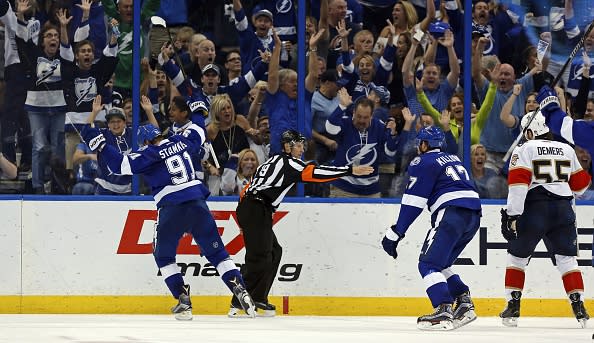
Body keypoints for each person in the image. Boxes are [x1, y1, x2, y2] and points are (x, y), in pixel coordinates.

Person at [80, 122, 256, 320]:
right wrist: (198, 109)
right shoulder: (181, 141)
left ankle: (183, 300)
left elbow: (119, 165)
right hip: (198, 204)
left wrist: (99, 142)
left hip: (172, 208)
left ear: (146, 142)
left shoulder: (149, 154)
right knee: (218, 254)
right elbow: (199, 130)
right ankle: (240, 289)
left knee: (164, 257)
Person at [229, 129, 373, 317]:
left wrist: (246, 214)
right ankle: (238, 302)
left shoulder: (274, 160)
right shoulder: (290, 163)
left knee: (273, 251)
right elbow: (316, 173)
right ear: (287, 146)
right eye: (298, 145)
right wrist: (349, 169)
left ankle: (257, 297)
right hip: (255, 208)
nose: (302, 148)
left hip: (254, 208)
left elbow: (251, 188)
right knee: (259, 257)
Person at [500, 99, 591, 328]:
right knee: (567, 260)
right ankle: (579, 306)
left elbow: (518, 186)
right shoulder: (567, 148)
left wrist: (512, 215)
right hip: (563, 210)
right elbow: (581, 187)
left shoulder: (524, 149)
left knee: (517, 258)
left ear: (530, 131)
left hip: (534, 208)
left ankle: (513, 307)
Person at [381, 126, 482, 331]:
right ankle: (463, 302)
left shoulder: (423, 161)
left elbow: (413, 202)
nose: (419, 147)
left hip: (451, 213)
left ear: (425, 145)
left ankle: (443, 309)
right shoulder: (453, 159)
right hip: (473, 215)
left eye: (420, 143)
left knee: (428, 265)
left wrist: (395, 233)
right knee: (441, 263)